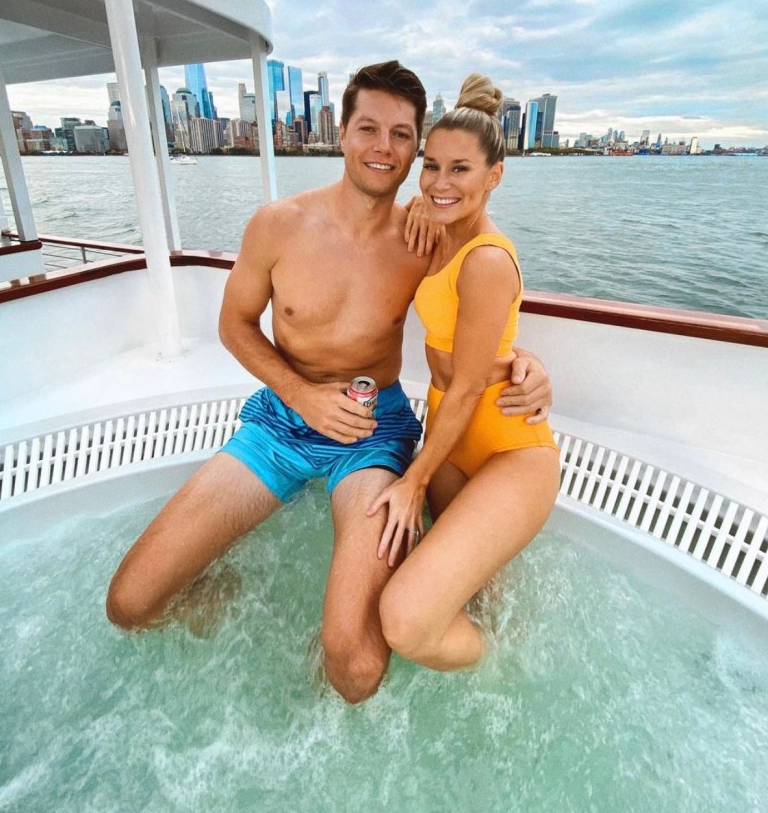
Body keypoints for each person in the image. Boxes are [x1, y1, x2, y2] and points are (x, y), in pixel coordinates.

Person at [105, 61, 553, 704]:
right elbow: (233, 324)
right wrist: (301, 395)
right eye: (368, 128)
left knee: (356, 669)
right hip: (281, 422)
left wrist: (528, 365)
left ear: (414, 150)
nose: (383, 147)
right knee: (131, 603)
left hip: (374, 431)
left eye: (402, 135)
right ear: (340, 133)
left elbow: (478, 309)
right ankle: (241, 602)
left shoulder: (425, 236)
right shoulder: (277, 224)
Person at [369, 73, 560, 672]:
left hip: (507, 448)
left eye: (460, 169)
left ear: (494, 175)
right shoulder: (438, 228)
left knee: (406, 619)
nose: (440, 182)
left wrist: (414, 480)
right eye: (431, 167)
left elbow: (473, 383)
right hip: (451, 437)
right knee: (478, 590)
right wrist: (421, 205)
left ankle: (498, 669)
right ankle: (497, 648)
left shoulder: (486, 260)